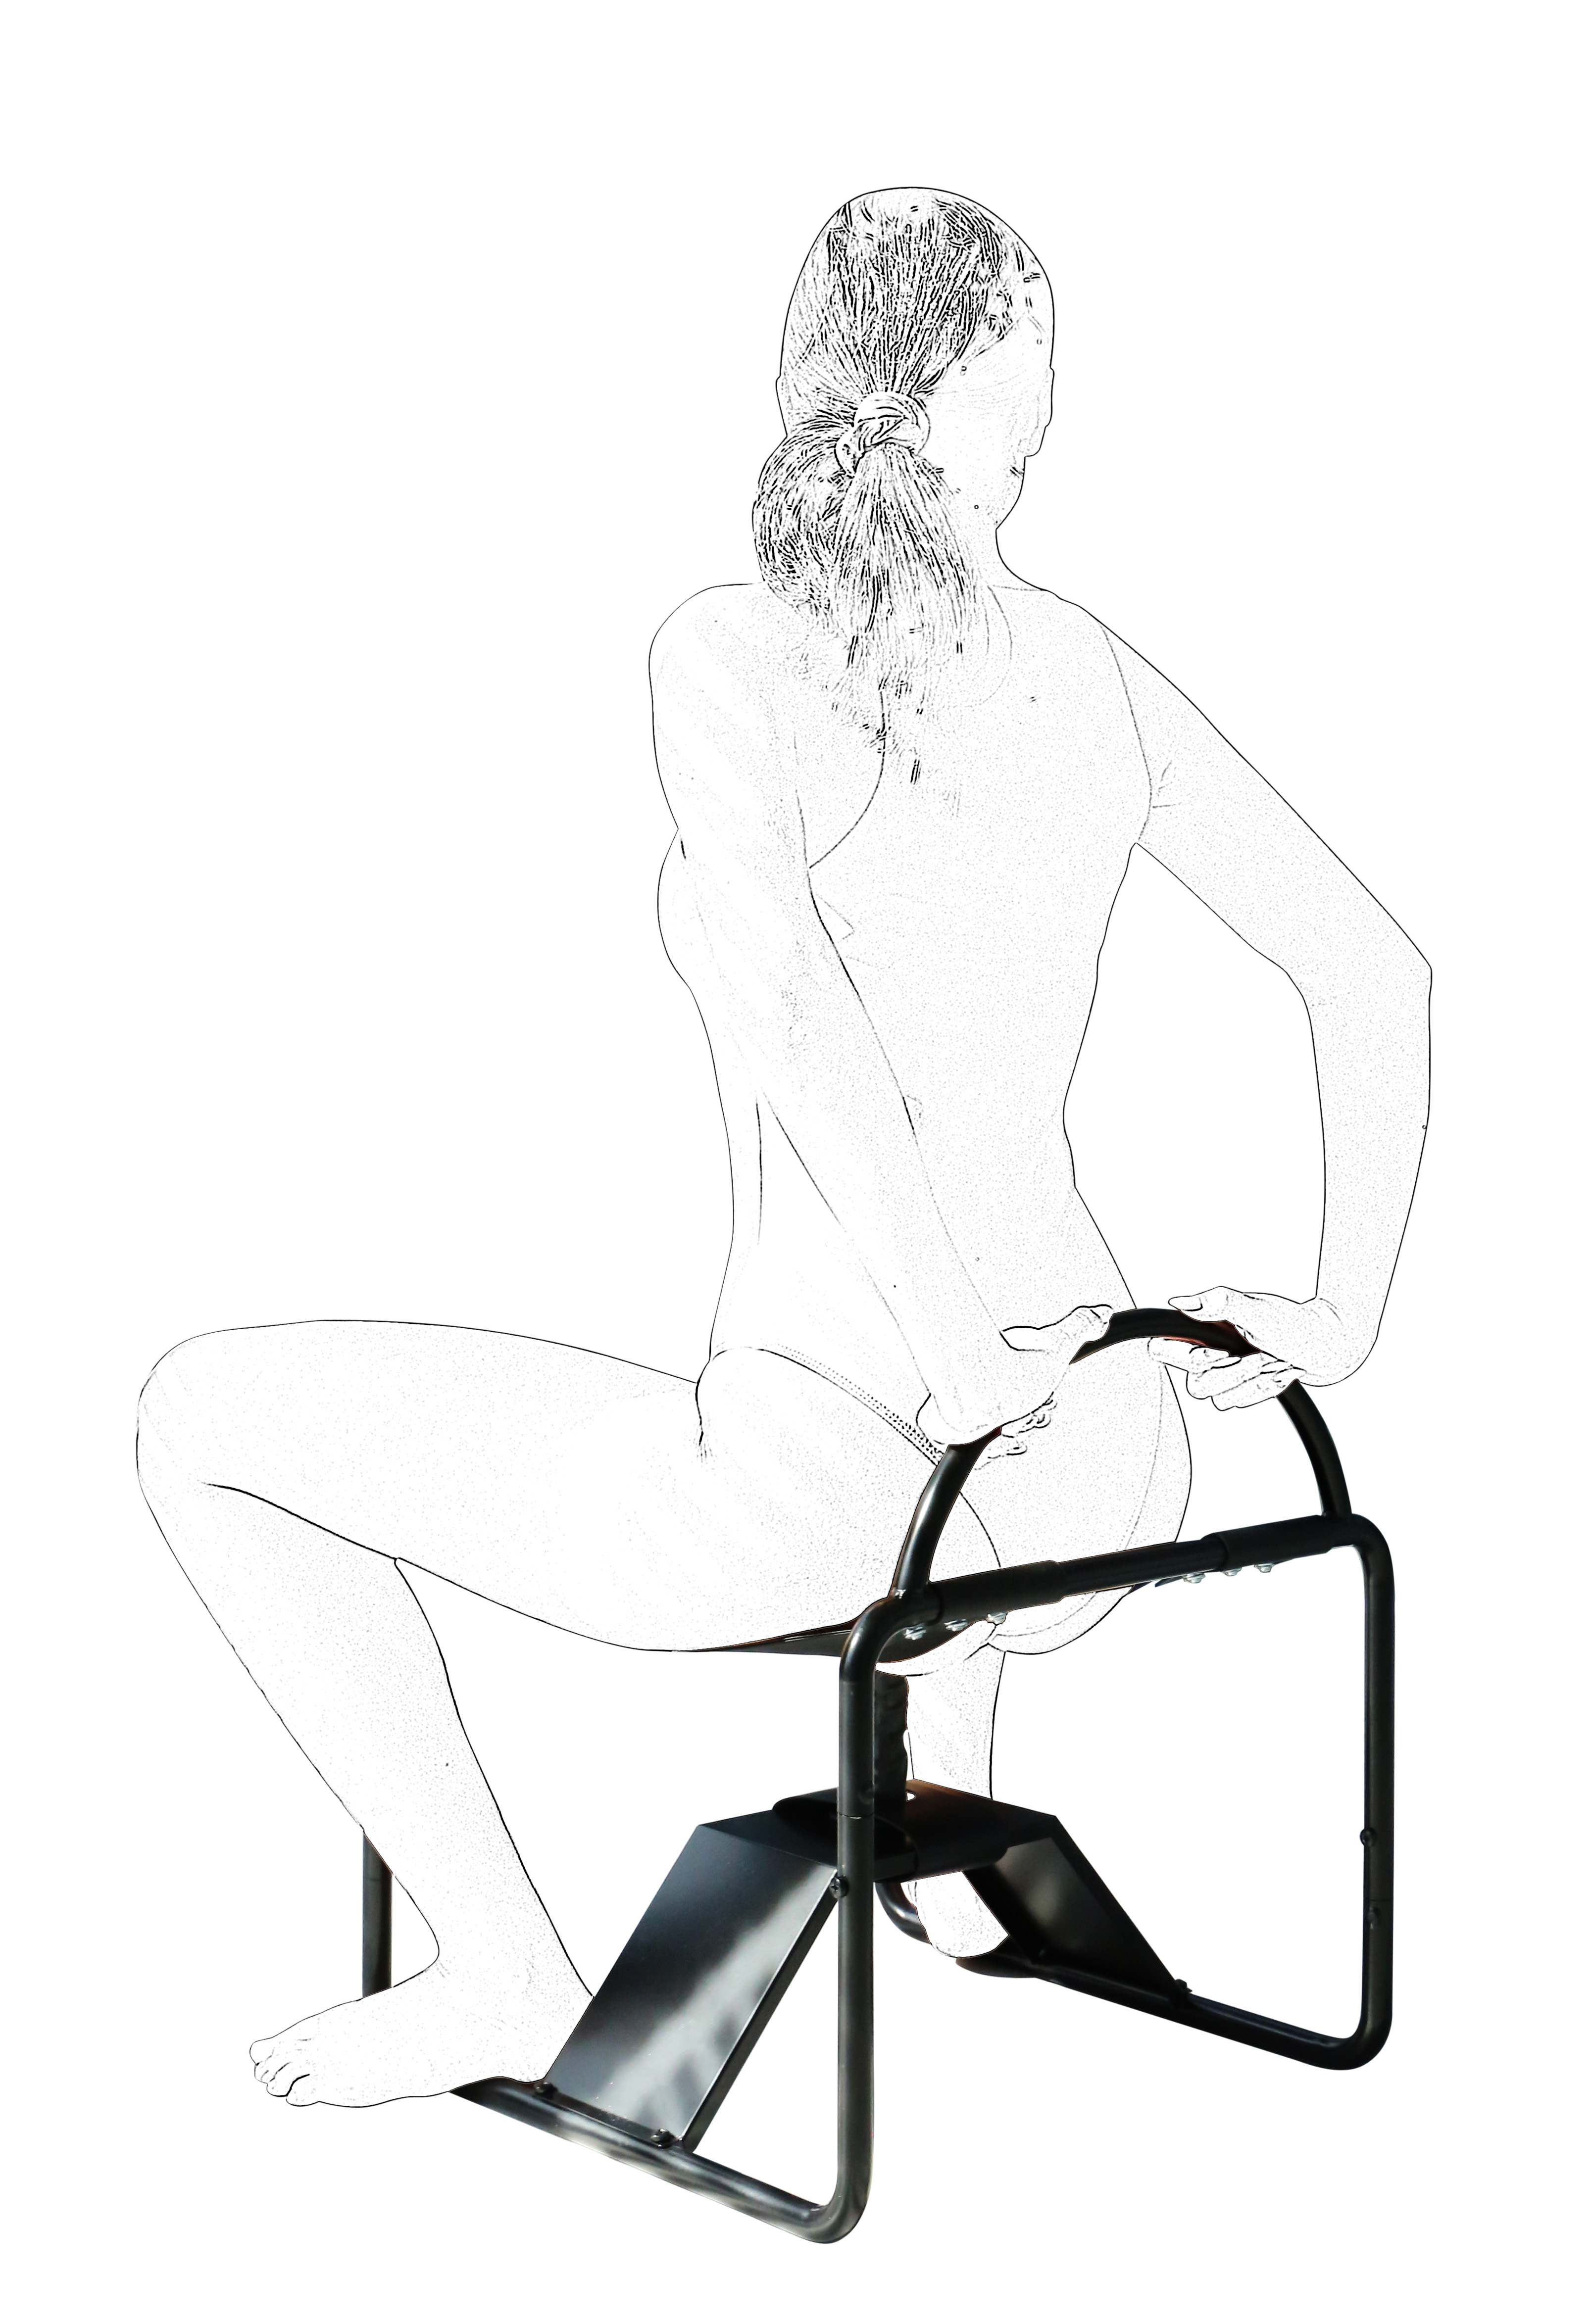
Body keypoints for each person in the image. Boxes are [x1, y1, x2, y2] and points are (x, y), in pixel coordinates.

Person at [136, 188, 1430, 2110]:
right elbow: (1377, 971)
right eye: (1037, 346)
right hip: (1107, 1467)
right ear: (981, 385)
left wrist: (956, 1354)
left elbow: (809, 1032)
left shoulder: (734, 655)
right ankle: (942, 1815)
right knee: (866, 1372)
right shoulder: (1091, 676)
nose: (1057, 380)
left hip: (861, 1479)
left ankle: (508, 1970)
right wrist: (1345, 1310)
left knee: (200, 1420)